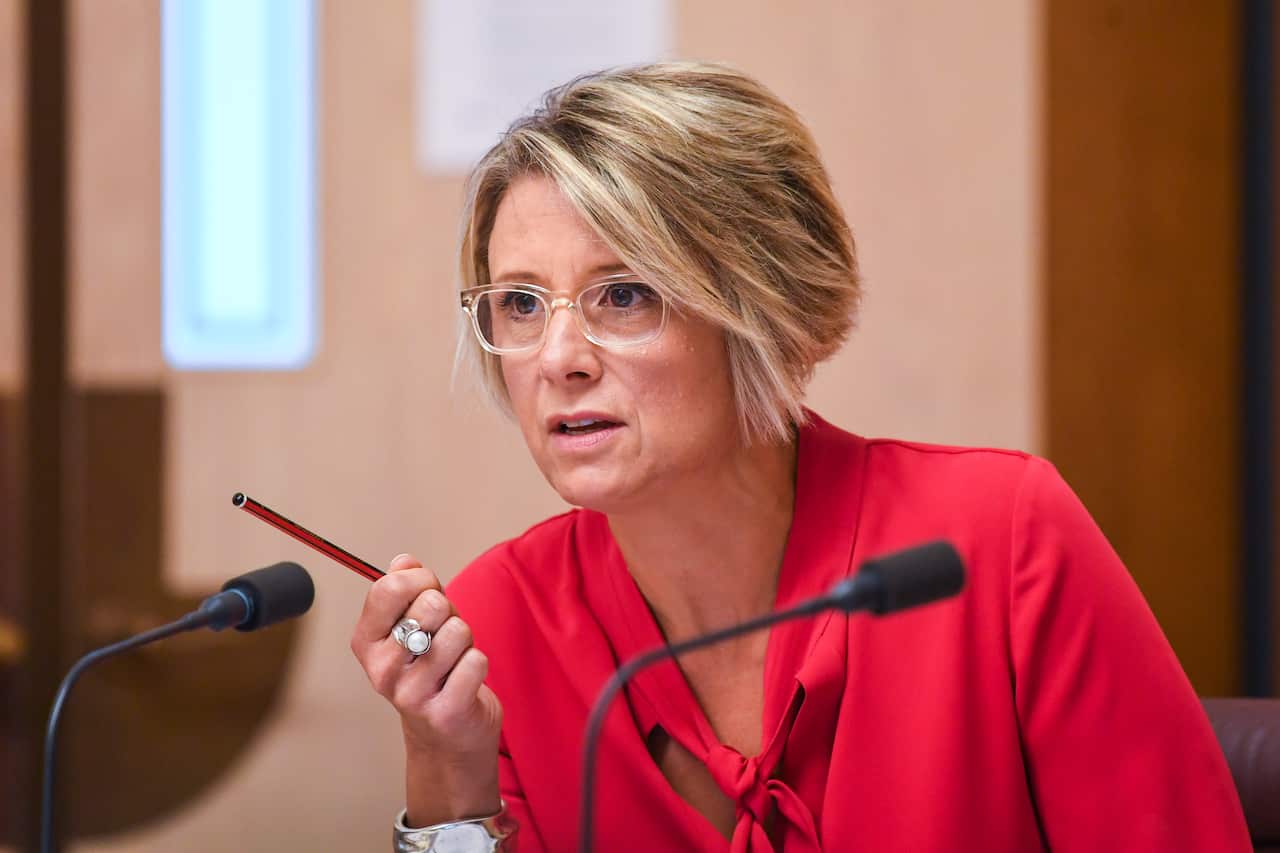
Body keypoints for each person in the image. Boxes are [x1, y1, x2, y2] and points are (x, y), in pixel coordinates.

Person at [350, 62, 1249, 852]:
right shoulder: (493, 631)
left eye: (621, 294)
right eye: (520, 304)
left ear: (760, 306)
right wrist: (445, 765)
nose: (559, 358)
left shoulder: (997, 541)